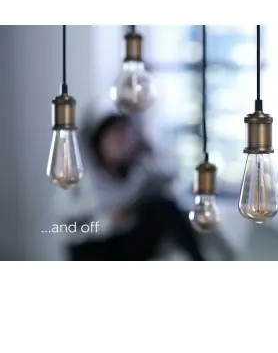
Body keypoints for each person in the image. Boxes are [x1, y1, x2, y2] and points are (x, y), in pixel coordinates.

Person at [63, 112, 206, 261]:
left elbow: (171, 175)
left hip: (125, 243)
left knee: (165, 208)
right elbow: (68, 228)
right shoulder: (81, 179)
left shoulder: (136, 172)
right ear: (100, 140)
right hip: (93, 248)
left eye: (124, 139)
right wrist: (107, 221)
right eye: (114, 139)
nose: (119, 145)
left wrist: (150, 150)